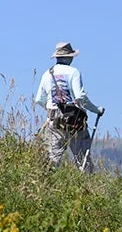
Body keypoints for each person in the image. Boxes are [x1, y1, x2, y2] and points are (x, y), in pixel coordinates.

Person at [33, 41, 104, 170]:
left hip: (54, 121)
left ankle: (47, 186)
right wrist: (96, 110)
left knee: (53, 160)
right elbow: (80, 97)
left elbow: (39, 99)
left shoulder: (46, 74)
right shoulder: (73, 72)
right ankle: (88, 186)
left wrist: (52, 110)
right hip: (75, 121)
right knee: (83, 160)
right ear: (68, 57)